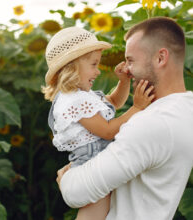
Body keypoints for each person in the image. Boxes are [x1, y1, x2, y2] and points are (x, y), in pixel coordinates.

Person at [56, 17, 193, 220]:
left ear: (160, 58)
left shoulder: (152, 123)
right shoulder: (185, 108)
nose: (126, 69)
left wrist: (64, 178)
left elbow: (76, 193)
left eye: (131, 60)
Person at [42, 26, 154, 219]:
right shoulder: (73, 101)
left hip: (95, 157)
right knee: (95, 212)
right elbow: (108, 131)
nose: (98, 71)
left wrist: (124, 81)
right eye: (94, 64)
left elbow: (113, 103)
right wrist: (136, 108)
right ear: (72, 66)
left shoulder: (81, 95)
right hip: (90, 160)